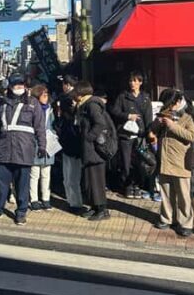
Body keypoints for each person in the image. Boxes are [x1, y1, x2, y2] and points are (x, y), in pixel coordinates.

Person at [0, 73, 46, 226]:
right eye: (16, 85)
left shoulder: (32, 103)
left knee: (22, 184)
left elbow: (40, 127)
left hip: (24, 149)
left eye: (21, 84)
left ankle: (21, 212)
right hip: (4, 149)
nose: (19, 87)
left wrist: (42, 146)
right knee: (1, 182)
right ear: (10, 86)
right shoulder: (1, 104)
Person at [149, 89, 194, 236]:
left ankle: (186, 223)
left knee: (183, 194)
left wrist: (172, 126)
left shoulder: (189, 116)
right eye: (165, 104)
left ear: (177, 102)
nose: (168, 107)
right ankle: (167, 218)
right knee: (166, 192)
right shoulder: (164, 114)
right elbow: (152, 131)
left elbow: (192, 136)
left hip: (181, 161)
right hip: (165, 159)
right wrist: (157, 124)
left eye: (170, 103)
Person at [110, 72, 153, 199]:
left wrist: (149, 133)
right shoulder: (123, 97)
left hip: (140, 135)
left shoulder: (145, 98)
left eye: (135, 81)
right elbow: (114, 111)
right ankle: (127, 186)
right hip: (126, 134)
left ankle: (138, 185)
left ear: (140, 82)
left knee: (140, 161)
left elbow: (148, 118)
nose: (132, 83)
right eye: (131, 81)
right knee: (126, 161)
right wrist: (128, 116)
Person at [74, 80, 110, 222]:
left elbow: (100, 123)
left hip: (95, 149)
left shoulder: (92, 105)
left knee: (96, 180)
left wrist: (89, 137)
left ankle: (102, 209)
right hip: (89, 150)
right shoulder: (84, 105)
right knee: (90, 180)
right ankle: (95, 207)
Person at [55, 75, 83, 213]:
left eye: (64, 84)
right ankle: (73, 201)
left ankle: (75, 203)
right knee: (71, 175)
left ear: (68, 84)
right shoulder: (69, 99)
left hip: (70, 141)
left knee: (71, 176)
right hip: (71, 141)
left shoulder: (68, 99)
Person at [30, 85, 57, 211]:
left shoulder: (50, 109)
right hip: (35, 143)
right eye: (44, 95)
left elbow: (52, 125)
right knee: (34, 173)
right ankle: (34, 199)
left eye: (47, 95)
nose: (46, 97)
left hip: (49, 143)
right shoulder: (31, 109)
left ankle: (46, 199)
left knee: (46, 173)